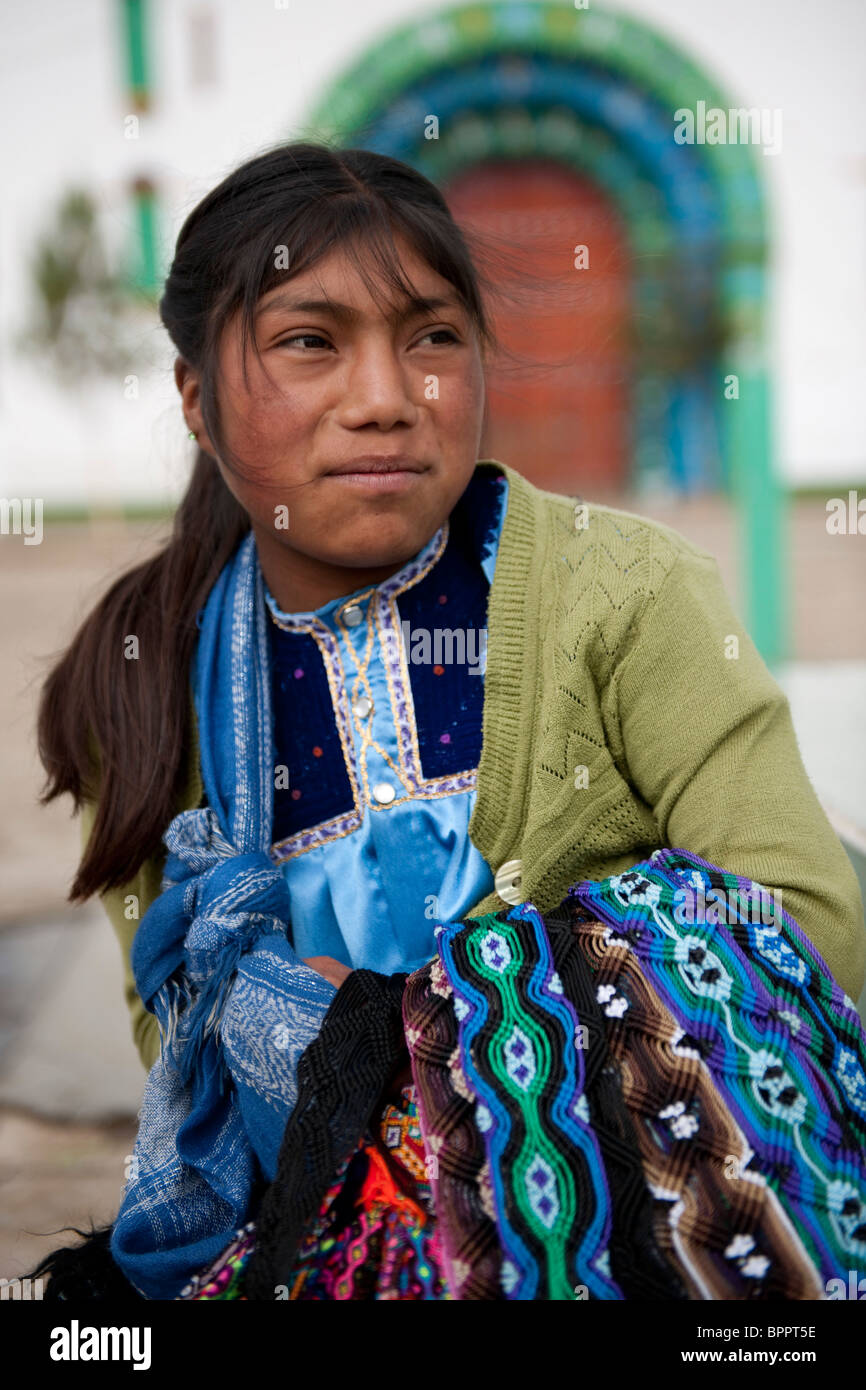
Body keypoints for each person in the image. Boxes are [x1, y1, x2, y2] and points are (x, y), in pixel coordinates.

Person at [34, 141, 866, 1302]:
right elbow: (174, 1044)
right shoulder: (135, 692)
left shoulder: (623, 592)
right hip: (336, 1229)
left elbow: (800, 923)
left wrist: (415, 1024)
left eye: (431, 336)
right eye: (309, 341)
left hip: (657, 1198)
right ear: (196, 396)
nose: (385, 399)